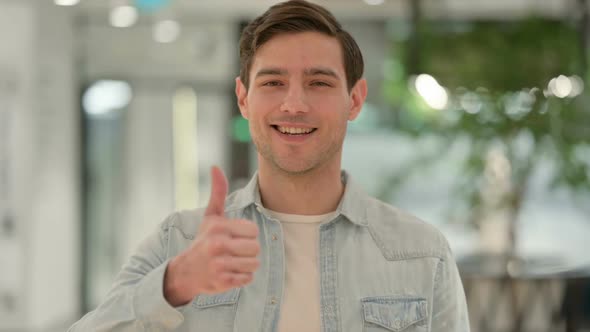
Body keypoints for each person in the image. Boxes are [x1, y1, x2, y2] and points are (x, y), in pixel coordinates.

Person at [69, 0, 470, 331]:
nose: (294, 104)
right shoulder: (180, 241)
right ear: (243, 98)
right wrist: (174, 284)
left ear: (355, 99)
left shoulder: (421, 254)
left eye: (319, 83)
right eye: (273, 82)